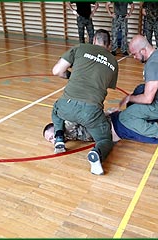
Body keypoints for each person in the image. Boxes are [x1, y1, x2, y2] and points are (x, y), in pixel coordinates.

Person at [51, 29, 118, 175]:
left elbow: (57, 71)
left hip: (66, 106)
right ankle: (96, 154)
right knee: (105, 139)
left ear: (93, 40)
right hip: (91, 112)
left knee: (56, 109)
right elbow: (103, 84)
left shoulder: (81, 48)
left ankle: (59, 138)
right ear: (109, 44)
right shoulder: (113, 61)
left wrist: (71, 75)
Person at [119, 35, 158, 148]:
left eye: (135, 54)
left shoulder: (153, 65)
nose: (134, 57)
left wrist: (129, 98)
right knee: (139, 90)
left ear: (143, 50)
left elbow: (147, 99)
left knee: (125, 117)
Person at [43, 109, 158, 146]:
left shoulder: (67, 125)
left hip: (113, 124)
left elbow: (87, 113)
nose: (53, 141)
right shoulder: (67, 135)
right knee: (139, 129)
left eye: (52, 137)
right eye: (50, 141)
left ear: (56, 127)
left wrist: (108, 113)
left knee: (149, 137)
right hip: (112, 129)